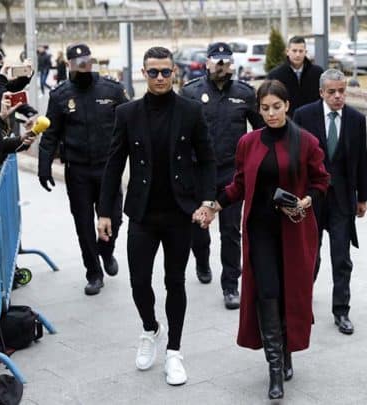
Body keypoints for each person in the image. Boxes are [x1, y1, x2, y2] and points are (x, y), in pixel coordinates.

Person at [96, 46, 217, 386]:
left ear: (174, 72)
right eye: (153, 72)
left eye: (165, 71)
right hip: (142, 212)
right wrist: (104, 211)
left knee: (175, 281)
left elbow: (207, 159)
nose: (160, 78)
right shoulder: (127, 113)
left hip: (180, 212)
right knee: (138, 282)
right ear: (143, 74)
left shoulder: (191, 111)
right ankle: (150, 328)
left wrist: (208, 201)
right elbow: (114, 164)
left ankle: (174, 351)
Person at [213, 79, 329, 399]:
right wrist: (215, 205)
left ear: (287, 106)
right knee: (267, 293)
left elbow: (321, 180)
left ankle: (287, 349)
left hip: (294, 231)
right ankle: (274, 368)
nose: (271, 113)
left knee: (289, 293)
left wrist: (306, 201)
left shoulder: (306, 141)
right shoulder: (248, 142)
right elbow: (239, 184)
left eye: (277, 107)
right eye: (265, 108)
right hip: (260, 231)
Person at [38, 43, 128, 296]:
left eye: (86, 61)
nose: (83, 66)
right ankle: (94, 273)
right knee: (84, 224)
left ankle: (106, 251)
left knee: (115, 218)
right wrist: (44, 166)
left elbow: (130, 122)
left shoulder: (112, 90)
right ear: (69, 65)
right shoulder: (60, 95)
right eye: (77, 63)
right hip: (77, 171)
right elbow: (51, 134)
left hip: (108, 168)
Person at [180, 42, 263, 309]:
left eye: (225, 62)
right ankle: (202, 261)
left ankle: (230, 285)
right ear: (207, 63)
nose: (221, 66)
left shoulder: (244, 94)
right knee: (198, 227)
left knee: (230, 230)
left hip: (231, 171)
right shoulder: (190, 92)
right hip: (199, 172)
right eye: (216, 61)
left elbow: (260, 130)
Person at [292, 69, 367, 335]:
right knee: (310, 255)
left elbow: (361, 159)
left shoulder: (356, 120)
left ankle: (341, 311)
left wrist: (362, 197)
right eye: (332, 92)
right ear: (321, 92)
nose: (338, 96)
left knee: (342, 257)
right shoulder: (304, 116)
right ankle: (302, 303)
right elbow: (295, 157)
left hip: (342, 199)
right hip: (311, 198)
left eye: (342, 91)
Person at [266, 36, 323, 116]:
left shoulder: (318, 73)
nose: (297, 54)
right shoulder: (275, 75)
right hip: (287, 120)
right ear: (287, 51)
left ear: (305, 52)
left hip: (312, 119)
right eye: (294, 51)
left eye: (301, 51)